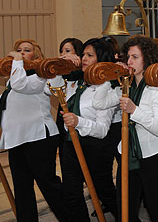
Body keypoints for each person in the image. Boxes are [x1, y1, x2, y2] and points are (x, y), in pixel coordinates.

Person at [0, 39, 68, 222]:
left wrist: (16, 60)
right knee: (22, 189)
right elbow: (9, 110)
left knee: (49, 186)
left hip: (39, 138)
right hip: (18, 140)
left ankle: (70, 218)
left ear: (36, 56)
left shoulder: (39, 77)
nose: (21, 53)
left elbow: (21, 86)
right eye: (18, 50)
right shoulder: (14, 79)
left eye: (26, 50)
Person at [94, 35, 158, 222]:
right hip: (128, 154)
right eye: (127, 57)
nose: (129, 61)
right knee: (125, 209)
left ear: (148, 59)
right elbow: (99, 103)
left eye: (134, 57)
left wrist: (134, 110)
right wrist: (107, 76)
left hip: (153, 156)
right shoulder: (126, 86)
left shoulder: (157, 87)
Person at [59, 38, 117, 221]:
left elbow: (102, 130)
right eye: (83, 54)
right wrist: (61, 64)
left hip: (95, 147)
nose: (83, 58)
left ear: (101, 60)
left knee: (104, 192)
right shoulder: (78, 82)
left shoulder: (106, 87)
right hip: (70, 145)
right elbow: (50, 87)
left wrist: (79, 122)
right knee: (71, 193)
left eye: (90, 55)